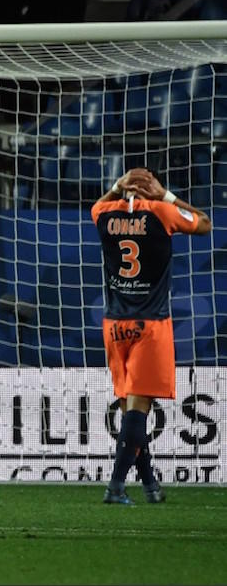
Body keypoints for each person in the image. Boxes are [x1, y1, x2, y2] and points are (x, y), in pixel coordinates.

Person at [91, 168, 211, 505]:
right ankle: (115, 486)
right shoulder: (162, 212)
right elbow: (204, 222)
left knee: (134, 405)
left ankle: (150, 485)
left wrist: (116, 187)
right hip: (150, 326)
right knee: (138, 410)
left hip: (115, 327)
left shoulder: (104, 213)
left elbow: (96, 205)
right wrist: (166, 195)